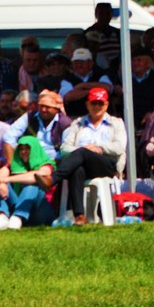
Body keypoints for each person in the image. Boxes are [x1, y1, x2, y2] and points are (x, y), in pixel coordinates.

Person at [45, 85, 125, 225]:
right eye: (94, 103)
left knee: (82, 152)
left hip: (106, 164)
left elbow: (119, 147)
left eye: (100, 103)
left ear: (106, 105)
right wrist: (85, 150)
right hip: (83, 164)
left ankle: (53, 179)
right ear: (87, 104)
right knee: (77, 169)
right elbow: (64, 148)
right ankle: (80, 216)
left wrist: (98, 148)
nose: (97, 106)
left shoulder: (116, 123)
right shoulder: (78, 124)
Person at [0, 134, 57, 228]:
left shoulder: (47, 164)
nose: (23, 151)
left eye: (27, 148)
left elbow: (37, 176)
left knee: (32, 184)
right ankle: (2, 216)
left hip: (42, 209)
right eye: (21, 149)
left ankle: (18, 216)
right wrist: (1, 183)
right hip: (19, 205)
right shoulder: (14, 165)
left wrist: (6, 179)